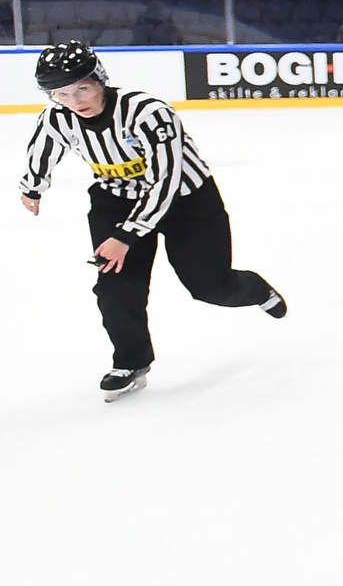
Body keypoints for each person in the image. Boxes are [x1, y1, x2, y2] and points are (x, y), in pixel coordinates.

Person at [17, 41, 286, 402]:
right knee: (114, 288)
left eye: (82, 87)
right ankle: (130, 361)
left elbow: (166, 181)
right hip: (115, 200)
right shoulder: (57, 117)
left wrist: (127, 235)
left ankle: (254, 289)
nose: (74, 100)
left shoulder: (147, 112)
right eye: (62, 93)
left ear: (99, 79)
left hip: (186, 201)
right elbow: (43, 148)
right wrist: (33, 187)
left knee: (209, 287)